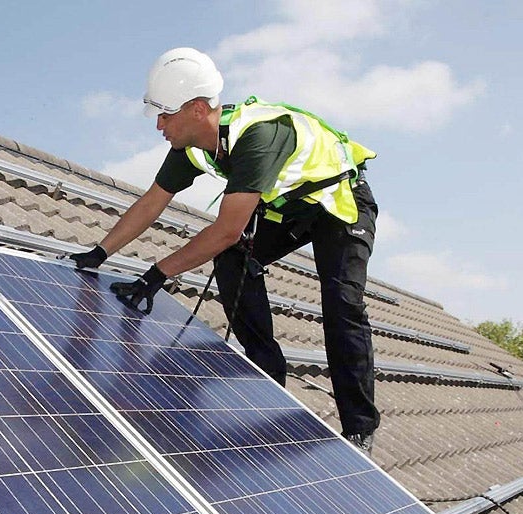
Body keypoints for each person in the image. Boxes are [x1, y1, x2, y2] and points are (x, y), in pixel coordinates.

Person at [71, 47, 380, 451]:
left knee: (341, 300)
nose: (159, 125)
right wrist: (100, 252)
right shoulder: (193, 147)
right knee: (234, 260)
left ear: (197, 109)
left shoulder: (259, 136)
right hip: (289, 210)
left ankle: (359, 425)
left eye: (165, 115)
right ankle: (267, 369)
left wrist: (156, 274)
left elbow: (228, 228)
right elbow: (152, 201)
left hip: (341, 205)